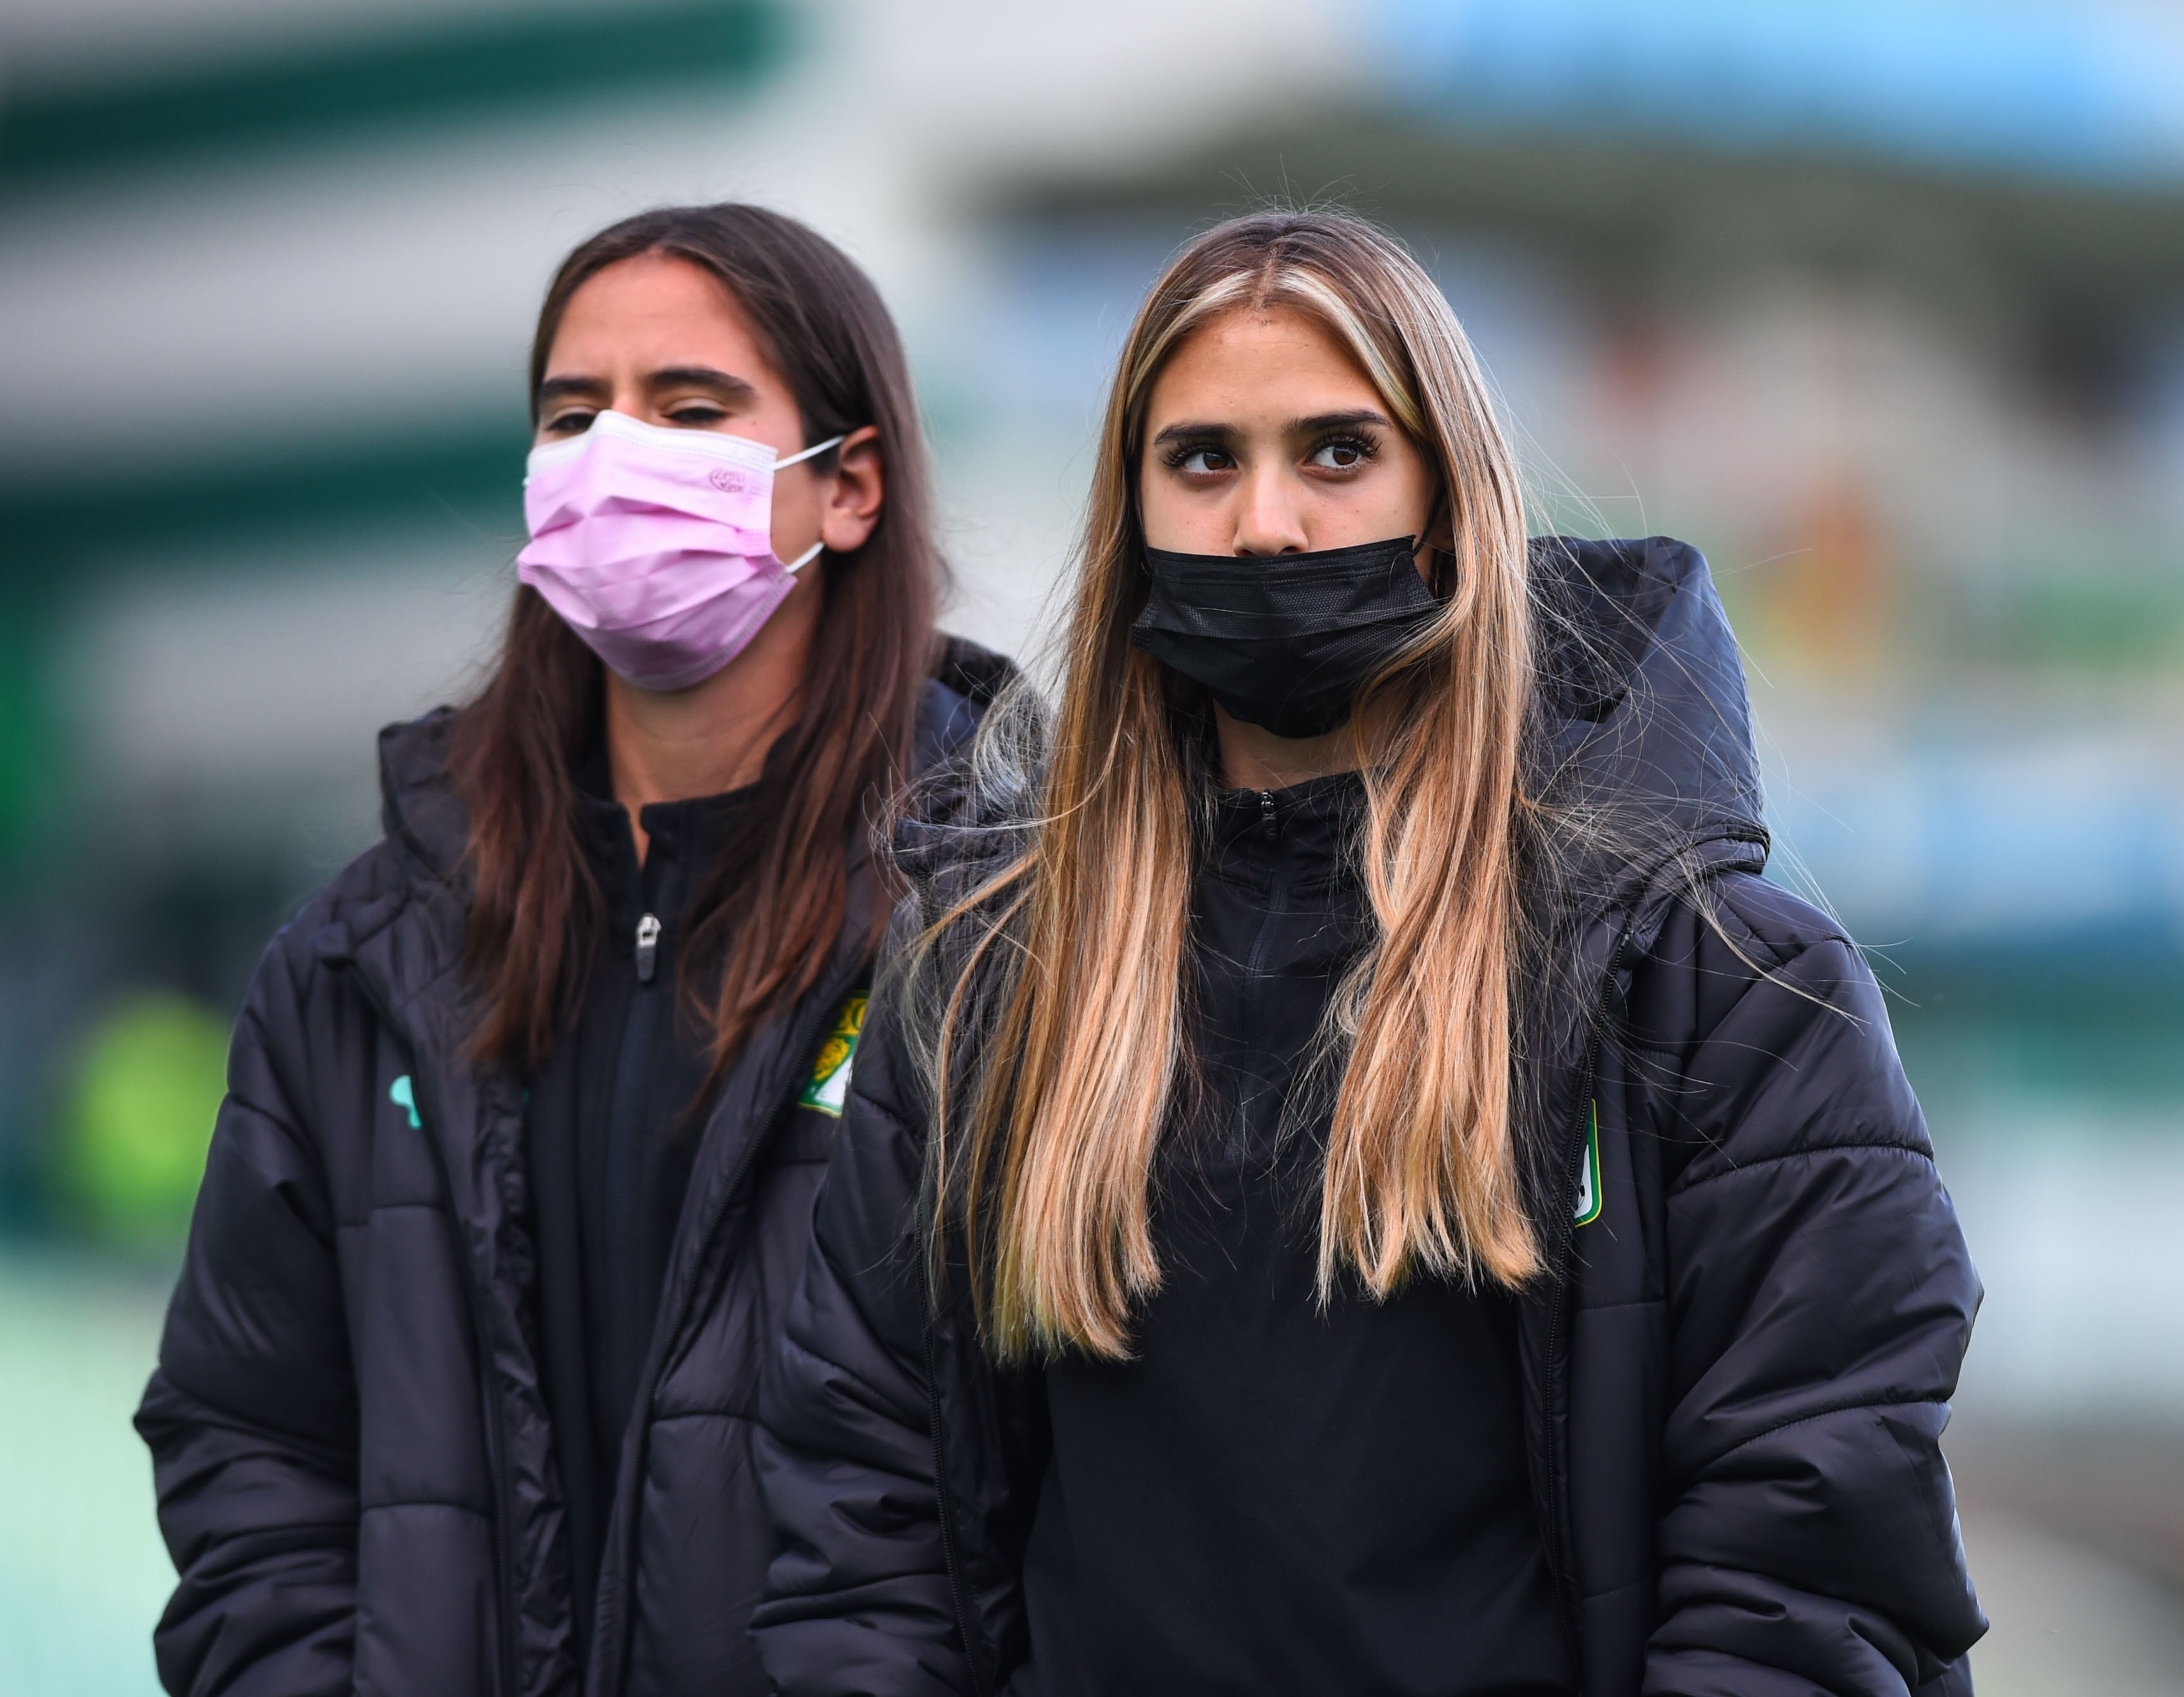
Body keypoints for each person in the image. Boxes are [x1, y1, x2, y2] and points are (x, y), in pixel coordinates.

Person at [752, 210, 1985, 1697]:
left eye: (1336, 453)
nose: (1264, 522)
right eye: (1202, 460)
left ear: (1449, 500)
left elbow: (1805, 1555)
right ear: (1129, 516)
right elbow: (862, 1512)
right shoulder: (983, 977)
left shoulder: (1712, 984)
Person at [136, 203, 1010, 1697]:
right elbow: (248, 1434)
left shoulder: (996, 938)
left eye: (688, 407)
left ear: (848, 484)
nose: (616, 455)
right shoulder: (365, 956)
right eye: (571, 413)